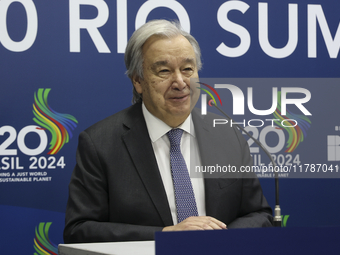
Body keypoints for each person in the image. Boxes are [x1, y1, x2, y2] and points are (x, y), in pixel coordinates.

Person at [64, 19, 272, 243]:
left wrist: (217, 239)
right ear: (138, 81)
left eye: (188, 69)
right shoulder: (100, 143)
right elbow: (79, 230)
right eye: (164, 71)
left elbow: (259, 215)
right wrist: (163, 236)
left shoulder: (227, 134)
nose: (180, 82)